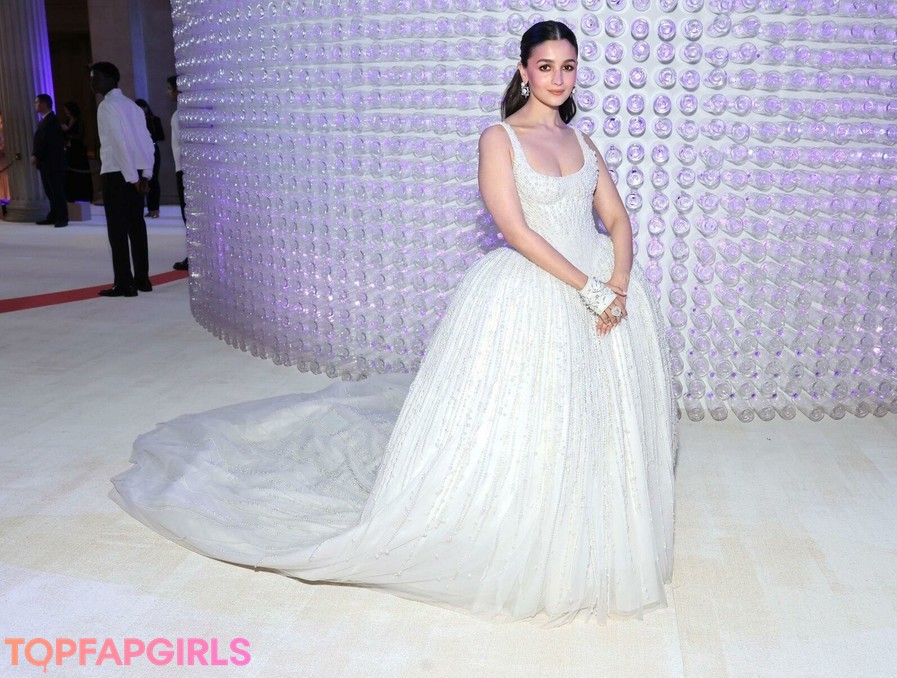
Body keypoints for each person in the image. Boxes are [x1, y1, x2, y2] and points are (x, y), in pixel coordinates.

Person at [110, 21, 675, 624]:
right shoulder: (500, 138)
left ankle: (589, 523)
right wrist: (588, 288)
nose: (558, 78)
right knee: (530, 416)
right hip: (539, 287)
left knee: (596, 412)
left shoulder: (584, 142)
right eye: (545, 66)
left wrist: (618, 282)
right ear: (523, 71)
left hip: (602, 288)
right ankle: (528, 527)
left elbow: (617, 219)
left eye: (568, 66)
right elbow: (515, 230)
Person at [90, 62, 156, 297]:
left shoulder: (106, 106)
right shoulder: (133, 106)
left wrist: (132, 177)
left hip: (117, 173)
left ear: (111, 79)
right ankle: (142, 280)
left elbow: (119, 143)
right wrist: (145, 174)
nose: (92, 83)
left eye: (96, 78)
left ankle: (124, 283)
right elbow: (146, 141)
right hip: (135, 172)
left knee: (117, 231)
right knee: (136, 226)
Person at [31, 94, 68, 227]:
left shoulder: (52, 121)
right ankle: (54, 215)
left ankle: (62, 217)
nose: (35, 105)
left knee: (57, 191)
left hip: (53, 163)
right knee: (50, 191)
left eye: (37, 103)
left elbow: (47, 141)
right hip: (47, 163)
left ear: (43, 104)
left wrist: (36, 155)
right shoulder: (46, 120)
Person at [167, 76, 189, 271]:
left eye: (170, 88)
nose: (168, 92)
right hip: (186, 168)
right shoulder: (189, 112)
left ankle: (193, 255)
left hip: (183, 169)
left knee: (187, 214)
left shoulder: (179, 115)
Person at [134, 98, 165, 218]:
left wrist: (149, 136)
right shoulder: (133, 122)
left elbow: (161, 136)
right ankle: (144, 208)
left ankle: (154, 208)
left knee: (153, 179)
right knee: (140, 178)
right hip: (139, 151)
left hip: (152, 150)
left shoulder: (154, 120)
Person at [60, 102, 93, 202]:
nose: (66, 112)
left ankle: (83, 195)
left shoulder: (79, 122)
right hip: (70, 152)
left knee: (80, 174)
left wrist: (67, 131)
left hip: (78, 152)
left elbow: (79, 136)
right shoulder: (68, 121)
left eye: (67, 110)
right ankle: (71, 196)